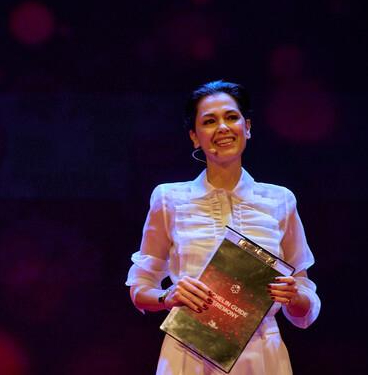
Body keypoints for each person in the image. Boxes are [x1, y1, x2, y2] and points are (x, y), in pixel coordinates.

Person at [126, 80, 320, 374]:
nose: (223, 128)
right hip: (188, 352)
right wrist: (167, 297)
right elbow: (140, 287)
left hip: (262, 355)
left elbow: (304, 301)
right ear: (194, 137)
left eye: (231, 117)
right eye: (209, 121)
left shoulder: (280, 200)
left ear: (247, 127)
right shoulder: (169, 198)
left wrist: (294, 297)